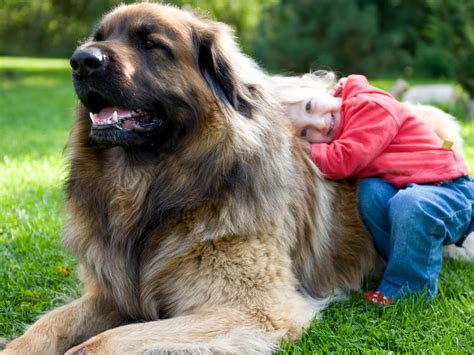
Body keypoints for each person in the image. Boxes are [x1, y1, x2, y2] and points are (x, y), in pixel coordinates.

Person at [271, 72, 474, 305]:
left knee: (409, 204)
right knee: (371, 193)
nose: (319, 123)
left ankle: (411, 286)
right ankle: (408, 258)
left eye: (309, 106)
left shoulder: (371, 107)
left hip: (449, 189)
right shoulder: (347, 118)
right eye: (306, 133)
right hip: (416, 189)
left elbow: (344, 159)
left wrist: (303, 151)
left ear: (315, 86)